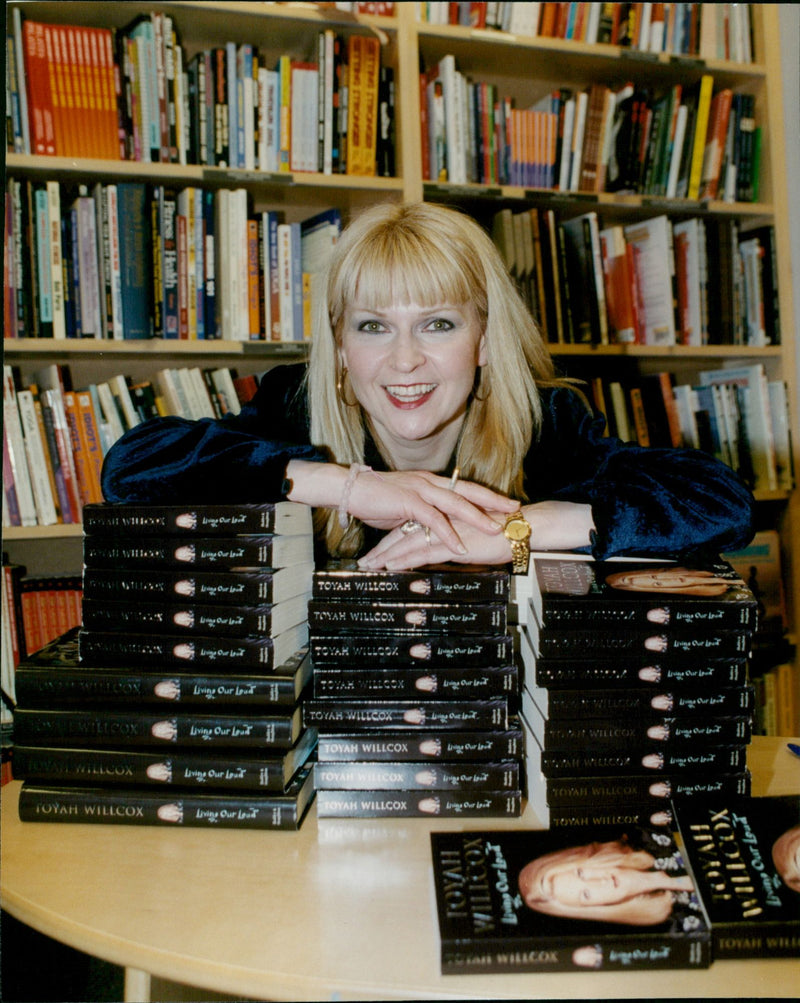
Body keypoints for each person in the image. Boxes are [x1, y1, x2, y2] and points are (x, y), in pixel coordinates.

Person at [101, 202, 755, 572]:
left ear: (483, 337)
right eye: (374, 326)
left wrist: (516, 530)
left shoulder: (547, 422)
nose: (405, 360)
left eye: (438, 323)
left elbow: (721, 501)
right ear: (339, 348)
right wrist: (351, 486)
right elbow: (131, 470)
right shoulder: (293, 408)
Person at [517, 835, 702, 927]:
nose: (599, 881)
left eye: (581, 873)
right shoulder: (674, 925)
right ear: (596, 907)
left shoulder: (651, 835)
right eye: (586, 894)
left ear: (585, 859)